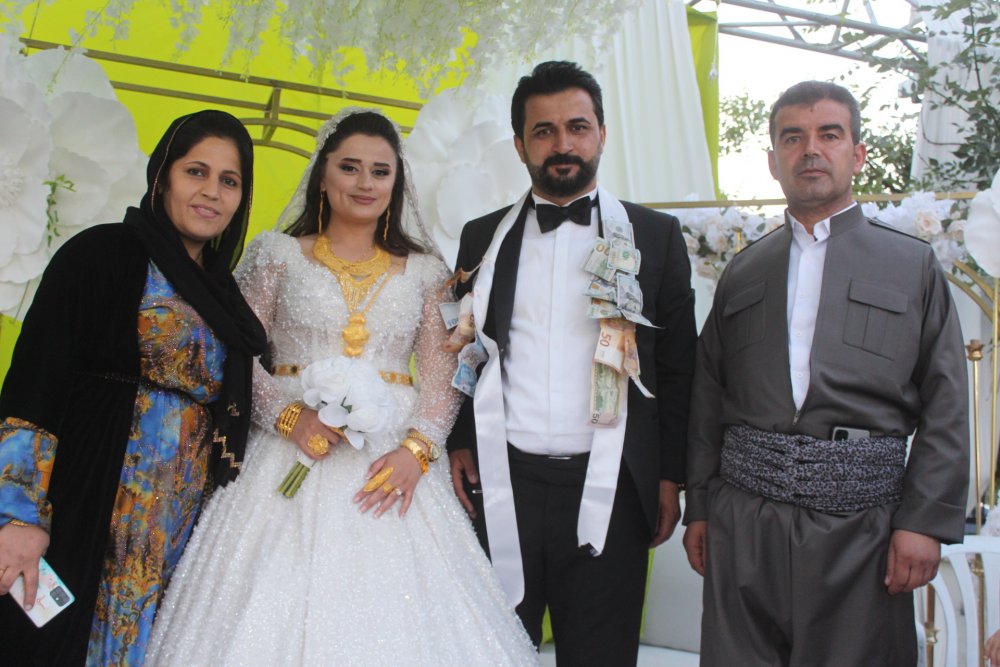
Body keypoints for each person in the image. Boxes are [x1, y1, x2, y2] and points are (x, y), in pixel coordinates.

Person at [145, 108, 538, 666]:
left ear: (396, 182)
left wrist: (417, 451)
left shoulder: (427, 271)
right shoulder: (275, 254)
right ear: (322, 175)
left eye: (380, 171)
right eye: (349, 167)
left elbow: (445, 374)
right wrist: (289, 417)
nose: (364, 183)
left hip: (392, 459)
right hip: (283, 453)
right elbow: (233, 351)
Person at [682, 80, 969, 666]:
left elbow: (947, 403)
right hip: (745, 526)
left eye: (829, 135)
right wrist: (702, 508)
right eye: (793, 138)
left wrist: (924, 522)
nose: (810, 149)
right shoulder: (743, 271)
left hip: (863, 531)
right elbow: (707, 398)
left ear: (857, 154)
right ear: (773, 161)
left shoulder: (911, 266)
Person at [447, 61, 697, 664]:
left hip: (613, 486)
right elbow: (463, 346)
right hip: (502, 482)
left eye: (578, 127)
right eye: (544, 130)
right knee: (492, 651)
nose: (563, 144)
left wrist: (670, 476)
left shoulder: (655, 236)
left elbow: (679, 365)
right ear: (519, 145)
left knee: (600, 655)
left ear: (602, 134)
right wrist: (459, 440)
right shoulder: (481, 237)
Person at [0, 110, 267, 666]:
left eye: (229, 180)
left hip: (175, 531)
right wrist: (18, 515)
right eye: (196, 171)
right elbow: (35, 386)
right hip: (90, 501)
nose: (211, 192)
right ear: (162, 177)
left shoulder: (227, 298)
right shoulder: (101, 254)